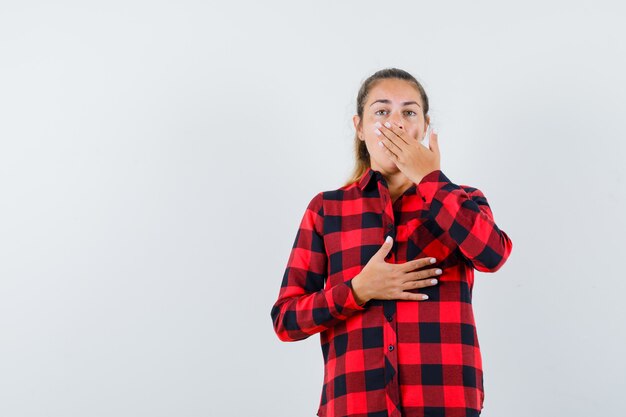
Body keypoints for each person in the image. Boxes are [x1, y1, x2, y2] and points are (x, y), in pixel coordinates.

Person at [270, 68, 513, 417]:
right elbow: (287, 320)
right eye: (382, 111)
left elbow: (492, 254)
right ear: (359, 127)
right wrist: (358, 290)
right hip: (354, 405)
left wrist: (431, 181)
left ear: (424, 126)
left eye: (409, 112)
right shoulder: (327, 209)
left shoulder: (463, 200)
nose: (395, 123)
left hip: (445, 403)